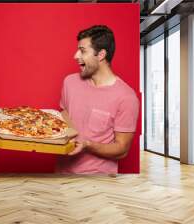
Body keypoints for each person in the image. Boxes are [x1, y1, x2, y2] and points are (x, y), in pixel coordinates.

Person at [57, 25, 139, 174]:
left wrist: (87, 144)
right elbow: (64, 112)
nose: (76, 56)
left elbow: (122, 149)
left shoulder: (126, 97)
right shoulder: (69, 82)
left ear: (101, 55)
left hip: (98, 182)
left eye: (82, 51)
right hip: (61, 174)